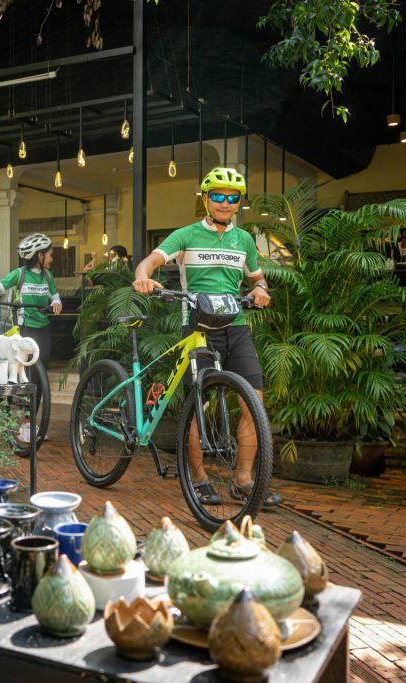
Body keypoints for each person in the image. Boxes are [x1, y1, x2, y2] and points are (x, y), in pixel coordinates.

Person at [132, 166, 281, 509]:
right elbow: (149, 262)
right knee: (199, 405)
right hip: (199, 328)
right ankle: (198, 479)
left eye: (232, 198)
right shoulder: (185, 235)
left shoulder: (243, 240)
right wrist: (142, 277)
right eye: (218, 196)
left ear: (239, 202)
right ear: (205, 198)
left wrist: (260, 290)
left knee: (253, 402)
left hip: (237, 326)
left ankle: (243, 480)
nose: (225, 203)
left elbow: (258, 279)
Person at [0, 234, 63, 437]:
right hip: (25, 330)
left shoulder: (48, 276)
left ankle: (30, 423)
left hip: (43, 329)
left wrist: (57, 302)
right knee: (26, 376)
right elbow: (0, 286)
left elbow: (54, 295)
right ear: (39, 256)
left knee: (40, 379)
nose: (52, 258)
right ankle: (23, 422)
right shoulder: (20, 274)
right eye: (49, 255)